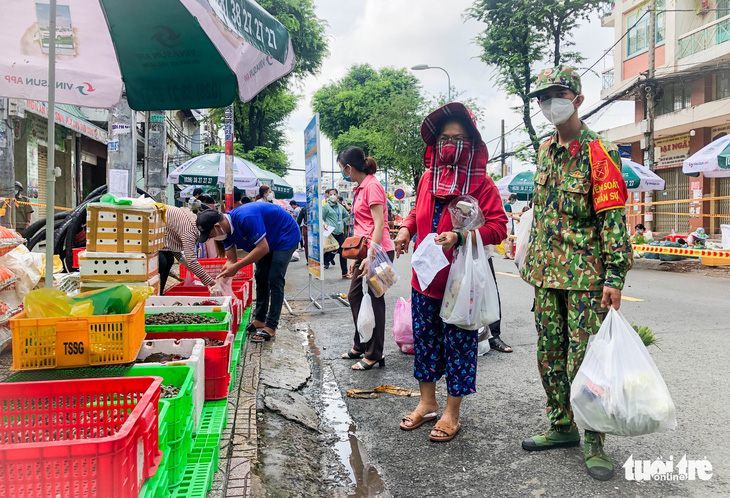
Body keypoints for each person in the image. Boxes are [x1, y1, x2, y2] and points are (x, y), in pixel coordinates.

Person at [520, 66, 633, 481]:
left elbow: (612, 220)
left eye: (558, 94)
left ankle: (596, 439)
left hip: (586, 278)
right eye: (543, 97)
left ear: (578, 99)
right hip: (546, 276)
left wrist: (615, 277)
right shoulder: (544, 151)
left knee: (587, 361)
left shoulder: (599, 152)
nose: (550, 103)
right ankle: (562, 425)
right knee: (549, 356)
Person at [394, 102, 508, 442]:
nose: (450, 145)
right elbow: (418, 210)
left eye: (459, 139)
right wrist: (405, 229)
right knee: (425, 343)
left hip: (461, 286)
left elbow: (499, 227)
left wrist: (460, 236)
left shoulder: (483, 184)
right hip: (424, 280)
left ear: (471, 143)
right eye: (444, 138)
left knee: (459, 347)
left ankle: (451, 412)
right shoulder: (428, 177)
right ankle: (427, 403)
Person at [197, 202, 301, 342]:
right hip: (268, 240)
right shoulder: (225, 233)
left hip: (285, 236)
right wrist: (221, 278)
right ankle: (260, 319)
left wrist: (236, 267)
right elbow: (231, 260)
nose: (210, 238)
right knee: (260, 276)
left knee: (274, 278)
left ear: (217, 226)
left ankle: (271, 326)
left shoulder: (246, 218)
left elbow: (262, 248)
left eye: (209, 235)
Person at [338, 146, 394, 371]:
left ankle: (374, 353)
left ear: (349, 168)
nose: (342, 172)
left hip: (379, 250)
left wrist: (371, 255)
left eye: (342, 168)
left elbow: (379, 224)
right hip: (367, 250)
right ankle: (360, 345)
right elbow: (363, 226)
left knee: (374, 300)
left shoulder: (372, 186)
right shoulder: (360, 188)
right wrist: (359, 255)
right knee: (355, 297)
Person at [160, 206, 216, 294]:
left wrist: (183, 260)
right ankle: (153, 297)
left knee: (169, 259)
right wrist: (212, 283)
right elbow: (192, 262)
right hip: (150, 234)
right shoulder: (189, 231)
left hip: (160, 237)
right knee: (162, 261)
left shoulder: (193, 220)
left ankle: (158, 294)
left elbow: (172, 245)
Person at [322, 188, 350, 278]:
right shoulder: (325, 206)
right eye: (330, 194)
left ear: (337, 195)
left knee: (343, 252)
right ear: (328, 196)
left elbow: (347, 215)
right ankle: (322, 264)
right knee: (328, 250)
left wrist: (343, 221)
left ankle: (344, 273)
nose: (332, 196)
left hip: (340, 233)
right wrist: (324, 223)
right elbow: (321, 218)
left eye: (334, 194)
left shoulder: (341, 207)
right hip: (330, 232)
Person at [503, 194, 520, 259]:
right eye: (515, 200)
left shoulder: (504, 204)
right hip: (509, 224)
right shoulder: (508, 205)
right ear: (512, 199)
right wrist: (517, 216)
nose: (515, 201)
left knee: (504, 239)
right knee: (511, 239)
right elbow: (509, 215)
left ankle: (505, 255)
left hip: (506, 224)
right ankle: (511, 255)